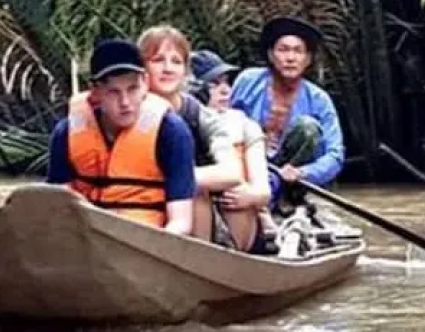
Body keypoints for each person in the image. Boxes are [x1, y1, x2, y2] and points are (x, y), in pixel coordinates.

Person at [46, 38, 196, 235]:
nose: (125, 102)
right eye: (113, 92)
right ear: (95, 92)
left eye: (132, 89)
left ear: (145, 84)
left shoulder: (171, 131)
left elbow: (181, 222)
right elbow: (58, 209)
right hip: (84, 238)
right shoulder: (66, 133)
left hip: (146, 240)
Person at [228, 15, 345, 212]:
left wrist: (303, 173)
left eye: (298, 51)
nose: (290, 58)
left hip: (291, 179)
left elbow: (335, 155)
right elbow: (226, 124)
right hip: (251, 166)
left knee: (307, 128)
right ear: (271, 55)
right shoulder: (248, 81)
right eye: (283, 50)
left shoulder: (319, 99)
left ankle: (286, 198)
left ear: (307, 60)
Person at [137, 25, 242, 242]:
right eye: (158, 60)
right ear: (142, 68)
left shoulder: (198, 115)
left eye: (176, 62)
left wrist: (175, 179)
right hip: (135, 202)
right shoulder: (125, 109)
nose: (168, 69)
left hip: (190, 212)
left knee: (192, 191)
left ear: (185, 71)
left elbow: (232, 172)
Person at [190, 49, 273, 253]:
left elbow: (263, 191)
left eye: (226, 82)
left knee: (234, 194)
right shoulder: (179, 120)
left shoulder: (244, 124)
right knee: (196, 193)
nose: (225, 91)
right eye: (214, 84)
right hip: (196, 213)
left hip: (239, 216)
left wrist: (250, 196)